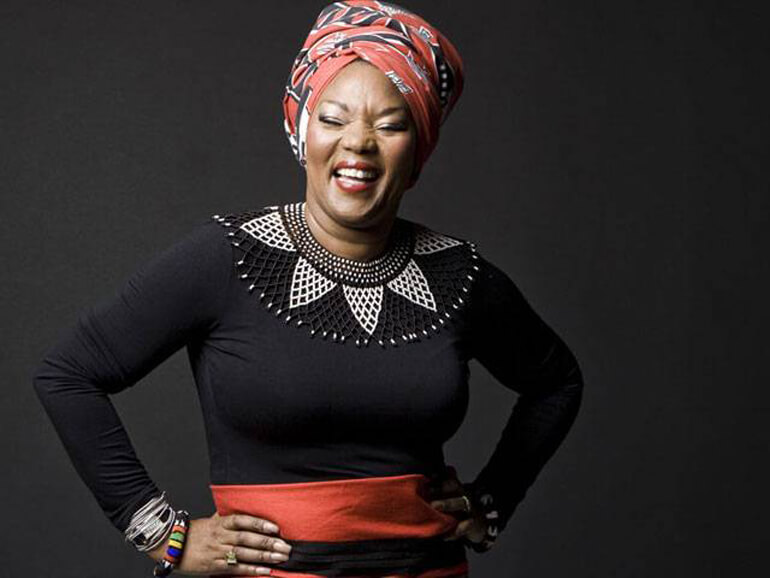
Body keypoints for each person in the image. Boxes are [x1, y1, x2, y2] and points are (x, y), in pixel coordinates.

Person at [32, 1, 584, 577]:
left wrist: (491, 501)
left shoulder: (457, 275)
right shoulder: (228, 256)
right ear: (302, 130)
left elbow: (557, 382)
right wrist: (162, 536)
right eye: (333, 119)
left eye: (390, 125)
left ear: (418, 147)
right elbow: (68, 374)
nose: (359, 143)